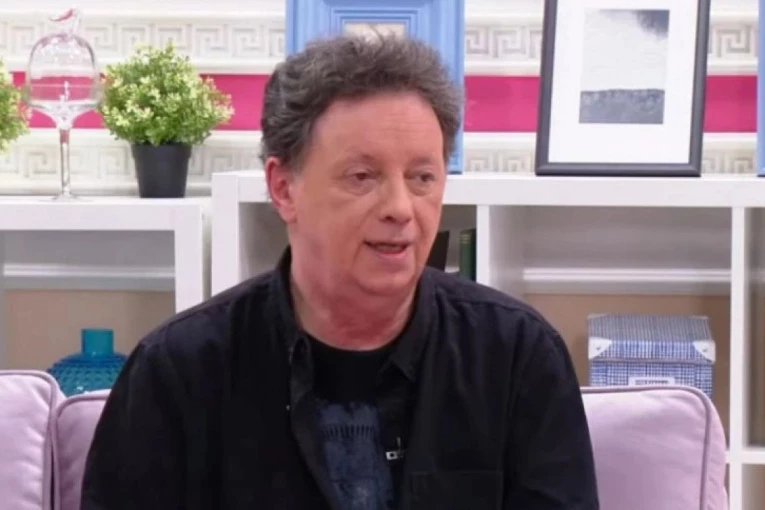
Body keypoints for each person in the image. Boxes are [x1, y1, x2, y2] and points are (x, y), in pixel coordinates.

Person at [80, 34, 599, 510]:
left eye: (422, 177)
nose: (401, 208)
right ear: (283, 188)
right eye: (362, 176)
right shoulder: (177, 373)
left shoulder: (516, 357)